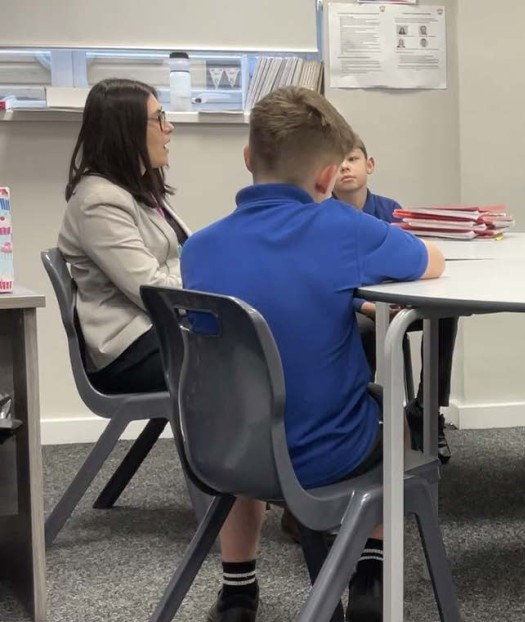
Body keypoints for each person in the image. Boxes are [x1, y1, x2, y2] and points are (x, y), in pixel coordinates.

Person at [181, 86, 445, 622]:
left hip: (217, 451)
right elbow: (429, 261)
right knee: (394, 418)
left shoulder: (198, 247)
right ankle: (370, 567)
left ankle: (237, 591)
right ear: (328, 177)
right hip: (324, 453)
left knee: (243, 409)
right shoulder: (343, 227)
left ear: (248, 157)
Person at [58, 78, 188, 395]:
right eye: (159, 118)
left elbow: (182, 255)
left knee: (250, 345)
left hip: (156, 331)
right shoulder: (98, 202)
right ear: (125, 130)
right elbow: (152, 291)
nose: (168, 127)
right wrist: (207, 275)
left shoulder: (138, 189)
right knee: (243, 357)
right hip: (127, 350)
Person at [333, 138, 459, 463]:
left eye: (352, 159)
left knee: (444, 313)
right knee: (362, 329)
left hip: (397, 303)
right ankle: (364, 417)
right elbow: (325, 282)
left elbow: (410, 263)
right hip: (355, 308)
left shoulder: (391, 211)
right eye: (338, 161)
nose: (345, 166)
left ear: (369, 165)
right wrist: (368, 307)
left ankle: (427, 409)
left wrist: (403, 298)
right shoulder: (322, 217)